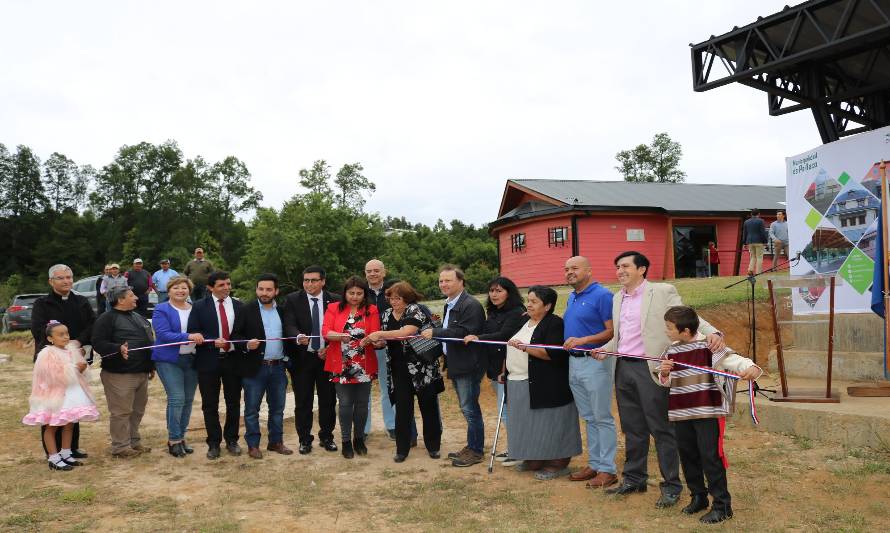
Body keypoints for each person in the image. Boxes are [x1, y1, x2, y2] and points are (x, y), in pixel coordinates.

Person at [592, 251, 725, 508]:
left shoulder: (662, 291)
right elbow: (622, 335)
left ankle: (672, 486)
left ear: (642, 269)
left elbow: (688, 316)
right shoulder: (617, 297)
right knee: (632, 428)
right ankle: (634, 479)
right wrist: (605, 348)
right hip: (623, 368)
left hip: (651, 368)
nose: (620, 271)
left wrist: (714, 332)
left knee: (662, 429)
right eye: (617, 266)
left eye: (625, 266)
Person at [658, 305, 762, 524]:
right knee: (688, 456)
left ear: (685, 331)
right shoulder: (671, 350)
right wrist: (665, 371)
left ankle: (722, 505)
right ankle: (698, 497)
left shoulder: (710, 346)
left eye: (669, 327)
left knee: (710, 457)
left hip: (706, 412)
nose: (666, 331)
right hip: (681, 412)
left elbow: (736, 361)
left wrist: (752, 367)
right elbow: (666, 381)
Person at [473, 286, 582, 479]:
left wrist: (526, 348)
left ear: (547, 306)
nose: (529, 304)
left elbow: (553, 354)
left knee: (550, 422)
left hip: (546, 383)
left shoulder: (554, 323)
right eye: (528, 300)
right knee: (527, 422)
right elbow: (510, 344)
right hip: (517, 381)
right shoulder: (524, 320)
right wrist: (504, 370)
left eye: (534, 302)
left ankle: (558, 462)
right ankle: (536, 456)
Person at [366, 281, 444, 462]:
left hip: (422, 368)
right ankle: (402, 449)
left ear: (407, 298)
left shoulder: (415, 310)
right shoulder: (385, 314)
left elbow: (405, 332)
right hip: (397, 368)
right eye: (390, 298)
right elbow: (388, 339)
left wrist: (379, 334)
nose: (393, 302)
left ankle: (433, 447)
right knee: (402, 410)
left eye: (397, 298)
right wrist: (379, 342)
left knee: (428, 407)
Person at [559, 256, 617, 487]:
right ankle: (594, 464)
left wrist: (584, 340)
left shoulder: (602, 295)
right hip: (574, 363)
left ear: (589, 271)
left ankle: (608, 469)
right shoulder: (572, 297)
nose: (569, 272)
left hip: (596, 361)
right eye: (566, 269)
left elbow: (612, 332)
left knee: (602, 417)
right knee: (590, 417)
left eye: (575, 268)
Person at [420, 264, 486, 467]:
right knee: (466, 407)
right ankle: (472, 445)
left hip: (468, 364)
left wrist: (436, 333)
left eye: (448, 280)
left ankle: (476, 450)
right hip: (457, 363)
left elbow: (464, 332)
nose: (443, 284)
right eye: (441, 280)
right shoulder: (450, 303)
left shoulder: (471, 305)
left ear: (461, 282)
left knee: (470, 408)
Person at [30, 264, 96, 460]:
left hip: (76, 355)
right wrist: (60, 345)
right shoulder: (42, 304)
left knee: (74, 402)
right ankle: (53, 452)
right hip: (52, 360)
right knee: (54, 404)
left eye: (69, 277)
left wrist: (78, 341)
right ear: (51, 281)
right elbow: (38, 329)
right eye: (61, 278)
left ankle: (70, 448)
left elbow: (92, 324)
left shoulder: (81, 301)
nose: (66, 281)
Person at [231, 273, 295, 459]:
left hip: (277, 368)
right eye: (261, 289)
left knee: (277, 408)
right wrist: (245, 344)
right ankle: (253, 445)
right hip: (254, 367)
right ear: (256, 289)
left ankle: (276, 442)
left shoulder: (282, 311)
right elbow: (235, 335)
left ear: (276, 291)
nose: (264, 293)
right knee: (252, 409)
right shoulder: (246, 310)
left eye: (269, 289)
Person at [23, 321, 99, 471]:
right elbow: (50, 375)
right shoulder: (46, 353)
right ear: (50, 338)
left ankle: (66, 452)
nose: (65, 337)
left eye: (67, 334)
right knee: (53, 426)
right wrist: (74, 368)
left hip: (73, 393)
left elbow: (79, 371)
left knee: (69, 424)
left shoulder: (71, 350)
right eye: (61, 335)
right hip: (56, 395)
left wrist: (82, 367)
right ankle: (53, 457)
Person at [92, 286, 156, 459]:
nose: (136, 297)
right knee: (121, 411)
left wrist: (151, 365)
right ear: (120, 300)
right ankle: (120, 447)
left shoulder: (138, 316)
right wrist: (117, 348)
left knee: (137, 410)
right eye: (131, 295)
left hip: (141, 372)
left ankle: (134, 442)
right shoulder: (106, 319)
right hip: (119, 374)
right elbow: (98, 343)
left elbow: (148, 341)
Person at [466, 276, 524, 466]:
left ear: (509, 292)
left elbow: (504, 336)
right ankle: (514, 445)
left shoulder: (517, 312)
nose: (494, 294)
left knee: (507, 411)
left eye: (499, 291)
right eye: (491, 291)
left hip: (509, 368)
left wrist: (478, 338)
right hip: (493, 368)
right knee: (505, 409)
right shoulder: (492, 312)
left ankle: (520, 450)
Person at [282, 265, 340, 454]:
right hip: (302, 358)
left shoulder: (336, 300)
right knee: (303, 401)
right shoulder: (292, 299)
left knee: (328, 400)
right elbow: (288, 323)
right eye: (306, 280)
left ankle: (327, 436)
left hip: (328, 357)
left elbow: (341, 328)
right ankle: (304, 439)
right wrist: (297, 336)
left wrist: (330, 347)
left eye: (314, 280)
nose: (309, 284)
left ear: (323, 281)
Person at [187, 271, 244, 459]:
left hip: (233, 360)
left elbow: (243, 331)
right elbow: (193, 331)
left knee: (233, 403)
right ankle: (213, 443)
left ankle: (232, 440)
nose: (227, 287)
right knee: (209, 404)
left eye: (228, 284)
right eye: (221, 285)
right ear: (210, 287)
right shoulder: (199, 306)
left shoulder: (239, 305)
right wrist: (212, 341)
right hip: (208, 361)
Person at [323, 276, 380, 459]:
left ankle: (359, 439)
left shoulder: (371, 309)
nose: (355, 297)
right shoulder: (333, 308)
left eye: (359, 293)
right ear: (345, 293)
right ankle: (346, 441)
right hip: (341, 364)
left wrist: (372, 339)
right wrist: (339, 336)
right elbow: (326, 332)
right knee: (346, 404)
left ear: (364, 294)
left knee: (362, 405)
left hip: (364, 363)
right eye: (351, 293)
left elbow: (375, 334)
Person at [151, 276, 203, 458]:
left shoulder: (196, 308)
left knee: (188, 400)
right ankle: (173, 439)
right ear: (169, 290)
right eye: (176, 288)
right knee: (177, 398)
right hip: (169, 360)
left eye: (184, 288)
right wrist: (188, 336)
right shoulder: (161, 309)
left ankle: (181, 437)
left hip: (192, 359)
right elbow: (163, 334)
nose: (181, 291)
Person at [741, 209, 769, 275]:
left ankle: (750, 270)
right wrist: (765, 241)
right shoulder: (761, 221)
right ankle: (758, 272)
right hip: (759, 241)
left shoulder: (746, 222)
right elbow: (763, 232)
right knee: (759, 257)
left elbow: (745, 233)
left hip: (750, 241)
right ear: (758, 214)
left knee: (753, 257)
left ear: (751, 214)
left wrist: (744, 243)